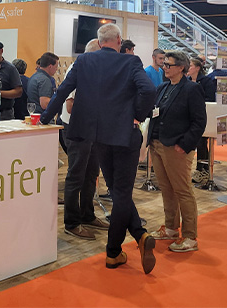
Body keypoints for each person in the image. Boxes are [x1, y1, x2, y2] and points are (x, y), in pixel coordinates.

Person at [41, 23, 157, 274]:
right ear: (117, 41)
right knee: (122, 193)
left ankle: (137, 237)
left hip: (98, 137)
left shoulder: (83, 62)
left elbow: (62, 91)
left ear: (99, 40)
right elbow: (148, 90)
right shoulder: (131, 62)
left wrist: (44, 118)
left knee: (117, 190)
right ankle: (114, 251)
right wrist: (137, 114)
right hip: (125, 135)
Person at [147, 51, 207, 252]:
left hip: (176, 147)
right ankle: (171, 228)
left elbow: (199, 122)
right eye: (163, 64)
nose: (164, 67)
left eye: (168, 65)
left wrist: (185, 144)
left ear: (181, 67)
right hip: (157, 144)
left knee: (182, 190)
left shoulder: (192, 89)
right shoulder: (163, 87)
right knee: (167, 189)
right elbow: (155, 112)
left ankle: (190, 236)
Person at [55, 38, 109, 240]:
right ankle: (72, 222)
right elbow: (70, 106)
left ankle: (87, 214)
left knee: (91, 173)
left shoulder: (94, 70)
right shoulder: (76, 70)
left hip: (91, 129)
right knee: (76, 175)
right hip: (77, 129)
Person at [187, 57, 216, 182]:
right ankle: (201, 168)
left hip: (203, 115)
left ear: (197, 68)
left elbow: (210, 98)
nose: (188, 67)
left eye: (191, 65)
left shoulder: (206, 81)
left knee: (202, 142)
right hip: (188, 116)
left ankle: (202, 169)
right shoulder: (187, 80)